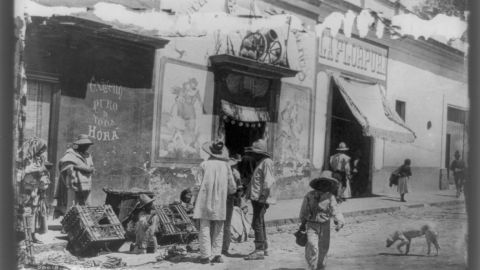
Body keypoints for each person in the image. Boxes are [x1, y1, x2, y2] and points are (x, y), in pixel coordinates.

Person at [193, 141, 237, 264]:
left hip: (204, 200)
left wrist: (194, 200)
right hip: (221, 201)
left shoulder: (204, 165)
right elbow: (232, 186)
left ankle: (205, 256)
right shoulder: (226, 166)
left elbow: (197, 185)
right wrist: (225, 193)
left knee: (204, 227)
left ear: (210, 152)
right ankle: (217, 255)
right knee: (219, 227)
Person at [299, 170, 345, 270]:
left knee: (324, 248)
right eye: (323, 183)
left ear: (329, 185)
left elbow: (335, 210)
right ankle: (311, 266)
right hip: (311, 225)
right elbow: (303, 209)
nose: (324, 185)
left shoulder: (330, 197)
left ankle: (321, 267)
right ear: (318, 184)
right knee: (312, 245)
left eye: (327, 183)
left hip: (325, 225)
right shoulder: (309, 195)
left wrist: (339, 221)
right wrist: (302, 222)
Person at [243, 139, 277, 260]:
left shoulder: (266, 162)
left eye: (254, 153)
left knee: (257, 222)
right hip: (257, 197)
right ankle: (264, 246)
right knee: (259, 221)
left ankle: (259, 250)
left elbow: (268, 181)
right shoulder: (261, 162)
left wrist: (263, 197)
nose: (253, 155)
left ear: (259, 153)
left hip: (260, 197)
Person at [16, 137, 51, 244]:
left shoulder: (39, 158)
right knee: (25, 212)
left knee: (34, 213)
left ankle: (32, 235)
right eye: (40, 149)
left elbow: (41, 171)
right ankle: (23, 236)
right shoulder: (23, 158)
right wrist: (37, 169)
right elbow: (20, 173)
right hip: (25, 189)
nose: (41, 152)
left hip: (36, 189)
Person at [55, 134, 95, 216]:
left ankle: (83, 224)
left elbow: (91, 167)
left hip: (86, 185)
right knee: (73, 205)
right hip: (74, 185)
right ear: (79, 145)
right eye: (85, 145)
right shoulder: (71, 154)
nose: (87, 147)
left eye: (88, 145)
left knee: (86, 205)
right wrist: (81, 168)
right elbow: (65, 165)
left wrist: (90, 169)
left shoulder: (88, 156)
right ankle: (69, 225)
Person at [222, 154, 243, 256]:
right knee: (227, 224)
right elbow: (238, 190)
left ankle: (217, 246)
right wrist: (239, 203)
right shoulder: (235, 173)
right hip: (229, 198)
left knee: (218, 223)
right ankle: (225, 247)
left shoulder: (221, 170)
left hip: (220, 198)